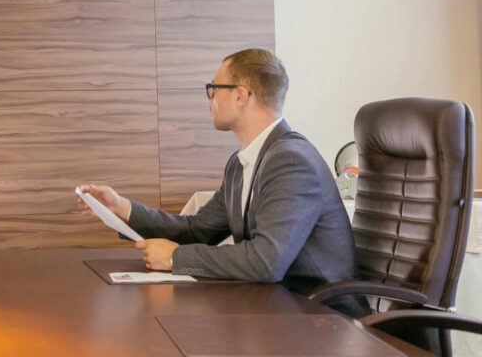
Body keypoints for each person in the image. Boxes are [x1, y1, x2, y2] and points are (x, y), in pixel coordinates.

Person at [77, 48, 355, 293]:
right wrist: (122, 209)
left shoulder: (291, 161)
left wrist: (176, 258)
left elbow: (266, 262)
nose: (208, 99)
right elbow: (197, 230)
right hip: (274, 302)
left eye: (214, 89)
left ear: (240, 96)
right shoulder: (240, 164)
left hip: (319, 313)